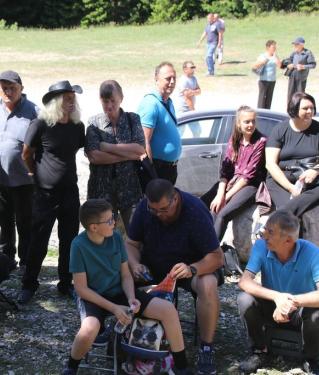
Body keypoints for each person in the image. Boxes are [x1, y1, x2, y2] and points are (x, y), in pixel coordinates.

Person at [62, 199, 194, 375]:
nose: (114, 222)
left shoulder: (116, 237)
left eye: (113, 217)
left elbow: (125, 274)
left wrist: (131, 297)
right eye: (109, 220)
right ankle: (71, 367)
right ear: (94, 227)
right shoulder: (78, 245)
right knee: (89, 329)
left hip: (119, 293)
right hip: (93, 297)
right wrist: (115, 309)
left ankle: (182, 366)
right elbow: (81, 289)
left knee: (168, 309)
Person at [125, 178, 224, 375]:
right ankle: (126, 336)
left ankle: (206, 347)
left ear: (175, 199)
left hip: (190, 266)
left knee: (208, 284)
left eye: (163, 209)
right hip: (153, 264)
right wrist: (135, 265)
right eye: (154, 211)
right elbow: (130, 245)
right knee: (121, 273)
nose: (159, 215)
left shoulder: (195, 211)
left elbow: (217, 257)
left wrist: (193, 269)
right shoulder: (145, 208)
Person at [17, 80, 85, 304]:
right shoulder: (40, 125)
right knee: (39, 240)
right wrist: (34, 175)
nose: (72, 100)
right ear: (57, 102)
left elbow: (72, 151)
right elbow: (27, 154)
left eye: (73, 96)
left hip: (70, 193)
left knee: (69, 240)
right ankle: (29, 284)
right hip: (45, 194)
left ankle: (66, 284)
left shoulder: (77, 126)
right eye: (67, 97)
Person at [237, 211, 319, 374]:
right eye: (265, 229)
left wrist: (291, 302)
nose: (264, 235)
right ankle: (259, 352)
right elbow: (244, 281)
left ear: (288, 240)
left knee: (316, 313)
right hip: (272, 308)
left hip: (300, 311)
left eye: (270, 232)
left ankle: (311, 359)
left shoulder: (311, 253)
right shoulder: (261, 245)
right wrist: (277, 297)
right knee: (244, 300)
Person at [0, 70, 39, 277]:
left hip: (24, 178)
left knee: (25, 222)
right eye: (4, 88)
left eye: (13, 88)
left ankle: (26, 261)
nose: (8, 92)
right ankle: (6, 259)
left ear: (21, 89)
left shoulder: (33, 111)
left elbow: (40, 144)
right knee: (3, 220)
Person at [85, 80, 145, 234]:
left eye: (113, 101)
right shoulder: (94, 123)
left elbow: (139, 149)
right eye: (105, 102)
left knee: (136, 234)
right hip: (101, 191)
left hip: (130, 189)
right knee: (101, 237)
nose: (109, 106)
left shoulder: (133, 120)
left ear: (121, 99)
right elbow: (94, 156)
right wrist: (127, 155)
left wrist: (108, 147)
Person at [200, 106, 267, 241]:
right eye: (246, 122)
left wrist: (225, 198)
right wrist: (220, 193)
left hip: (250, 185)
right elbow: (226, 169)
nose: (250, 125)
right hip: (233, 180)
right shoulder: (235, 139)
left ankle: (212, 252)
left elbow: (248, 176)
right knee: (201, 203)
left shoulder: (261, 141)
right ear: (238, 123)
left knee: (223, 213)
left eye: (253, 121)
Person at [265, 92, 319, 218]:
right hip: (281, 179)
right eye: (305, 108)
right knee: (292, 218)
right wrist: (291, 188)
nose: (310, 111)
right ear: (294, 108)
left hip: (310, 178)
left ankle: (268, 224)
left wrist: (315, 170)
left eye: (312, 107)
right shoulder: (280, 130)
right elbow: (270, 163)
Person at [137, 61, 181, 185]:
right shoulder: (151, 104)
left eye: (174, 78)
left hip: (169, 169)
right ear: (156, 80)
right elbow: (144, 143)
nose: (172, 82)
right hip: (157, 169)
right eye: (168, 78)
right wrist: (152, 177)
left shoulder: (168, 102)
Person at [254, 40, 282, 110]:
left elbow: (279, 65)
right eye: (273, 47)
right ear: (268, 48)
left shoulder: (275, 56)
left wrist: (275, 56)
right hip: (263, 79)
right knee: (262, 97)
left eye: (275, 47)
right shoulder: (263, 56)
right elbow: (255, 66)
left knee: (269, 97)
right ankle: (260, 111)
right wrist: (263, 61)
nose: (275, 48)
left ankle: (267, 111)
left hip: (272, 80)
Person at [286, 37, 316, 102]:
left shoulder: (307, 53)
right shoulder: (294, 53)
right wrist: (289, 65)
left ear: (302, 45)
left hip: (301, 75)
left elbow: (313, 65)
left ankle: (299, 107)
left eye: (297, 44)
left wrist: (303, 66)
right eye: (295, 44)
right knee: (290, 92)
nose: (295, 46)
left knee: (300, 93)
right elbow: (289, 61)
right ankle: (290, 107)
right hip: (293, 74)